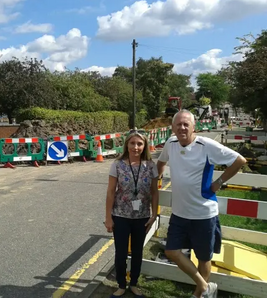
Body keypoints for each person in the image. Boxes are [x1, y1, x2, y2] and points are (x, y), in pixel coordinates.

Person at [157, 110, 246, 298]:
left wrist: (219, 182)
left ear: (193, 127)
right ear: (172, 128)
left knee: (204, 258)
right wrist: (157, 175)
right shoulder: (170, 143)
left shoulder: (206, 146)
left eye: (185, 124)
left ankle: (199, 295)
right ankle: (206, 287)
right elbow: (161, 161)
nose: (182, 128)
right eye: (178, 124)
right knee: (171, 251)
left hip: (204, 214)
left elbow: (239, 160)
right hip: (179, 213)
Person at [105, 131, 159, 298]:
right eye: (132, 143)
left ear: (144, 147)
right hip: (120, 215)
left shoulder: (150, 166)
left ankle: (134, 284)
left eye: (139, 144)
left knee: (137, 253)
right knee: (120, 253)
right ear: (127, 145)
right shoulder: (118, 164)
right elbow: (110, 192)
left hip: (141, 217)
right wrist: (108, 218)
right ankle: (121, 285)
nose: (136, 147)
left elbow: (154, 192)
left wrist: (154, 214)